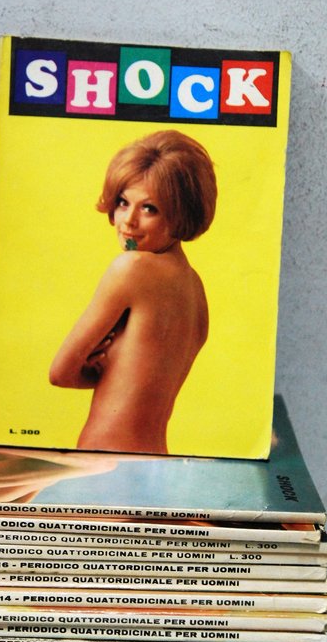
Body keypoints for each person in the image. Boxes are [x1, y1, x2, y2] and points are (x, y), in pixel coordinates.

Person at [49, 130, 217, 454]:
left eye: (149, 208)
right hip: (156, 459)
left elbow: (59, 374)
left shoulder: (132, 269)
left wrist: (95, 369)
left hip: (106, 457)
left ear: (181, 214)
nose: (128, 221)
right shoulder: (196, 290)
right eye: (123, 202)